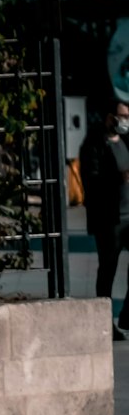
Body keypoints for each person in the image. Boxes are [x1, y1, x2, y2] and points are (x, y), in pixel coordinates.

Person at [81, 99, 129, 341]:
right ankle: (105, 322)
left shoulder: (125, 142)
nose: (125, 121)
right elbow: (91, 179)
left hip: (128, 214)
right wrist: (118, 177)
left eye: (127, 116)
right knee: (108, 270)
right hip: (109, 219)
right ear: (110, 117)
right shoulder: (94, 144)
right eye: (122, 116)